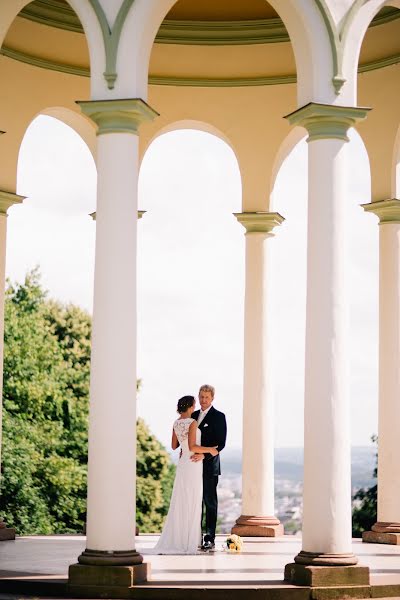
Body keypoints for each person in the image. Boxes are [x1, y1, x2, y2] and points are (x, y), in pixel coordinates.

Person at [151, 395, 218, 555]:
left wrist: (185, 446)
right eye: (194, 405)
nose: (195, 407)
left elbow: (175, 446)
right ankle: (189, 541)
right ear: (190, 407)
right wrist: (209, 449)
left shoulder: (176, 423)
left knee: (181, 499)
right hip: (193, 464)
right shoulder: (192, 422)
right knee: (193, 499)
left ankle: (180, 538)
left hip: (183, 464)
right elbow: (193, 446)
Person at [191, 384, 227, 551]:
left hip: (209, 466)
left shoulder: (219, 416)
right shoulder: (193, 415)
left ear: (212, 398)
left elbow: (221, 444)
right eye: (201, 397)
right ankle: (193, 535)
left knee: (209, 502)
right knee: (194, 502)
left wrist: (204, 455)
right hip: (192, 466)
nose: (203, 400)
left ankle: (209, 538)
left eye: (206, 397)